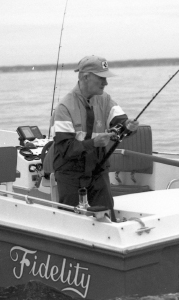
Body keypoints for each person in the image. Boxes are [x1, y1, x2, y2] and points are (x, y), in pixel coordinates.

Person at [51, 55, 138, 221]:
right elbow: (66, 149)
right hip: (70, 172)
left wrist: (129, 127)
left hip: (98, 169)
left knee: (106, 217)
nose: (106, 83)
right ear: (85, 77)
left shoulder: (105, 99)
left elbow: (121, 124)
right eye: (101, 78)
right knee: (71, 220)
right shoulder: (64, 107)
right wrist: (94, 143)